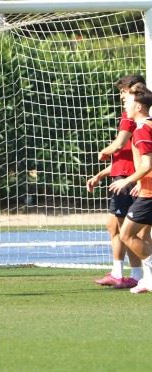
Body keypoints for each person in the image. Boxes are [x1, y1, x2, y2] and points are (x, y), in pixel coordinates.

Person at [87, 75, 145, 289]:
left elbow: (120, 147)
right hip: (122, 177)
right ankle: (119, 272)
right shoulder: (133, 119)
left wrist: (105, 150)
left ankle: (138, 274)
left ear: (135, 91)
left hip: (128, 180)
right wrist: (100, 175)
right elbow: (122, 158)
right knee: (114, 226)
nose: (121, 96)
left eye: (124, 91)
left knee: (130, 231)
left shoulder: (133, 119)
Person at [108, 82, 152, 293]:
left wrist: (127, 181)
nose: (125, 103)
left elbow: (147, 165)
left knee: (126, 234)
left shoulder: (142, 130)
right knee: (140, 235)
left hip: (150, 193)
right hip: (146, 189)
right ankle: (148, 279)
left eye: (129, 100)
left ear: (139, 107)